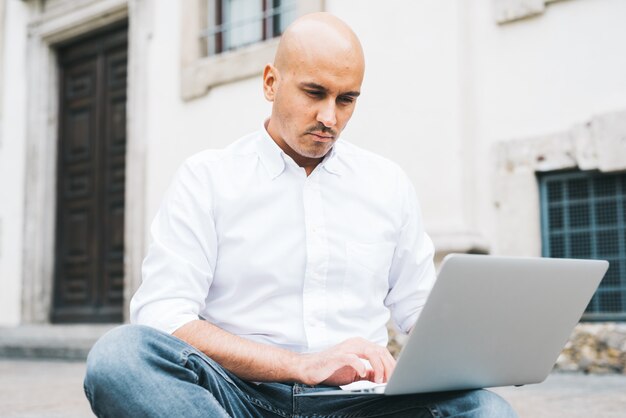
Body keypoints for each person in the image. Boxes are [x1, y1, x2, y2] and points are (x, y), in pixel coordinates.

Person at [84, 12, 517, 418]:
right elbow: (164, 315)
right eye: (314, 93)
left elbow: (418, 306)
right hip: (238, 396)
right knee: (119, 359)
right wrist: (303, 366)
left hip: (358, 404)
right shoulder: (208, 178)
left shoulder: (387, 184)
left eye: (346, 100)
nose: (330, 117)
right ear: (271, 82)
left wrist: (476, 344)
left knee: (485, 408)